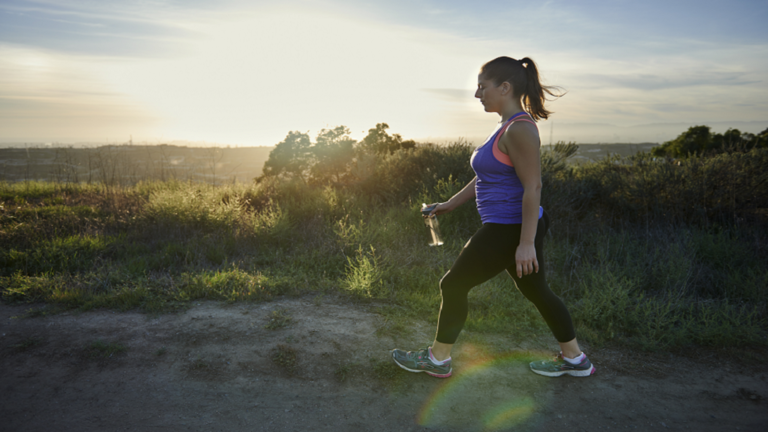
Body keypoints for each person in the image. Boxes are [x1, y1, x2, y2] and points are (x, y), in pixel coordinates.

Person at [392, 56, 594, 378]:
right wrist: (449, 204)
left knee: (453, 284)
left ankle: (438, 359)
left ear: (505, 87)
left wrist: (525, 243)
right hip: (509, 227)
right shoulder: (505, 126)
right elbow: (486, 176)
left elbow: (534, 187)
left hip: (510, 228)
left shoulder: (520, 129)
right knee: (536, 291)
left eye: (482, 87)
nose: (477, 95)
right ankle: (575, 359)